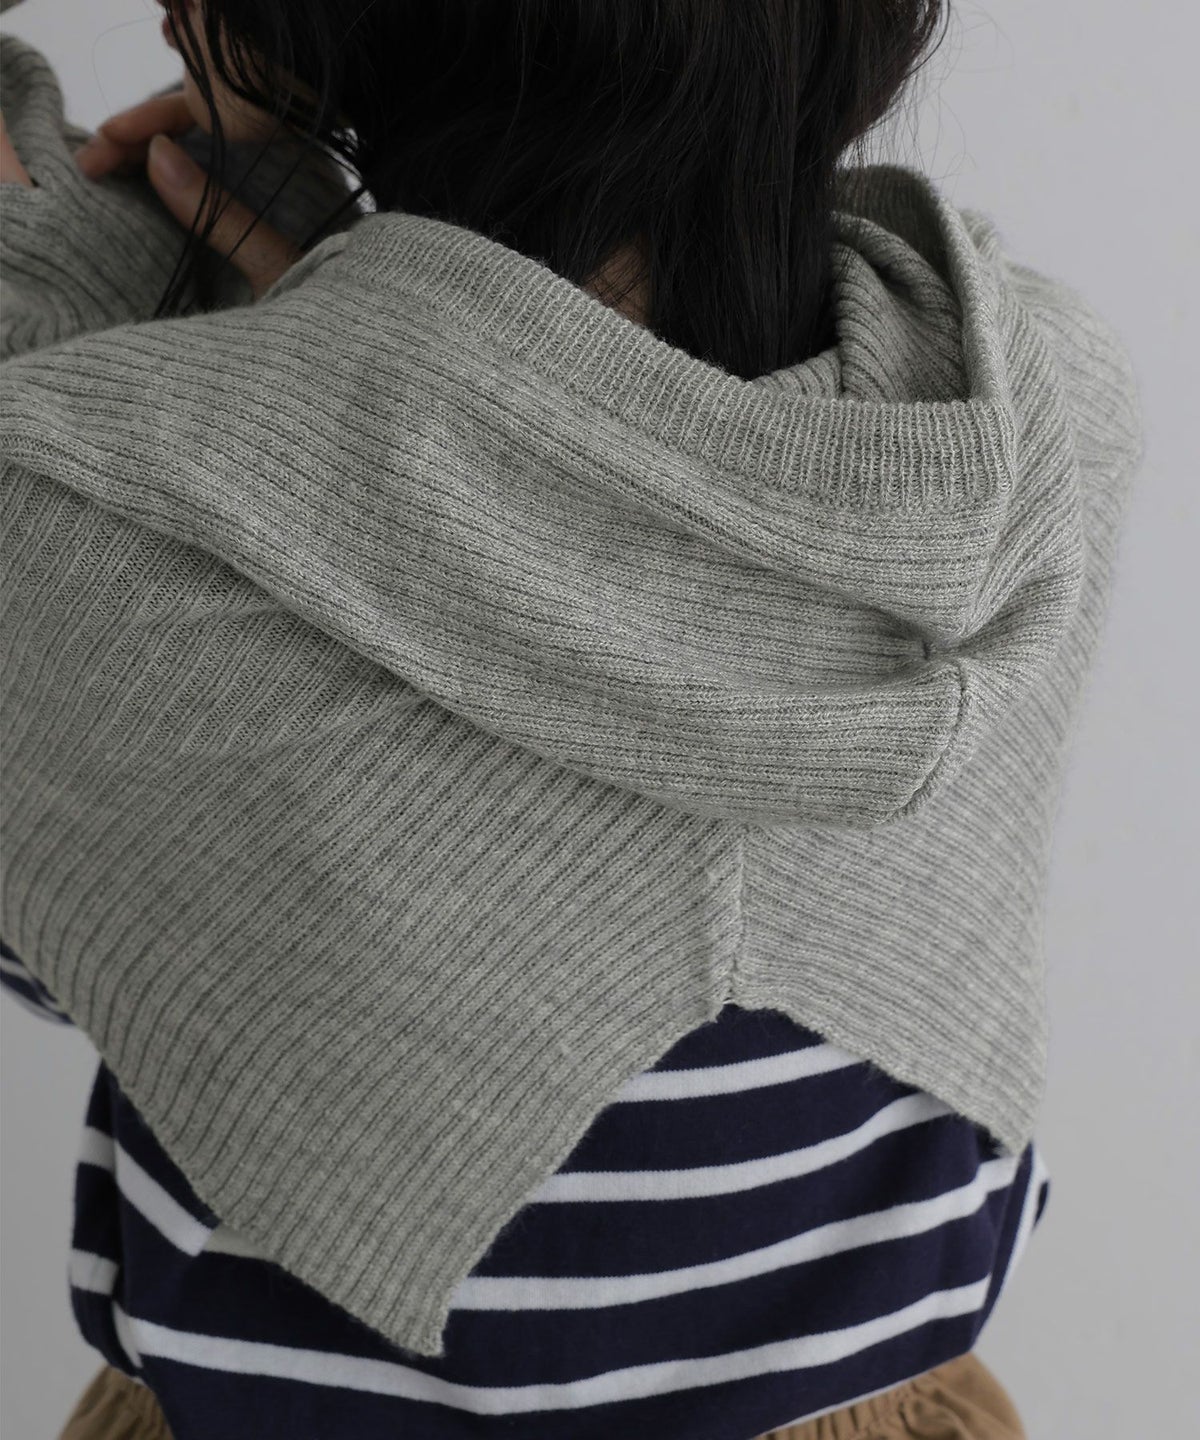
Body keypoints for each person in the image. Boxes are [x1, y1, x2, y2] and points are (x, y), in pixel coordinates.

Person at [0, 0, 1143, 1437]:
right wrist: (360, 344)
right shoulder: (1038, 429)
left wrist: (85, 303)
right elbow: (609, 528)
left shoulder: (72, 522)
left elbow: (89, 946)